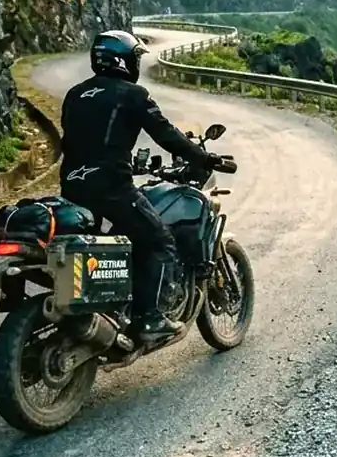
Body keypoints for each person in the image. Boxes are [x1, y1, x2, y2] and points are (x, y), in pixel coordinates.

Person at [60, 30, 219, 343]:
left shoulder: (75, 95)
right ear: (123, 60)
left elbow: (82, 141)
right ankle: (150, 318)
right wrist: (201, 157)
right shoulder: (133, 95)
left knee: (116, 242)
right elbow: (166, 134)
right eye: (135, 58)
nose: (136, 64)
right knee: (160, 241)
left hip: (73, 190)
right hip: (112, 190)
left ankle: (116, 306)